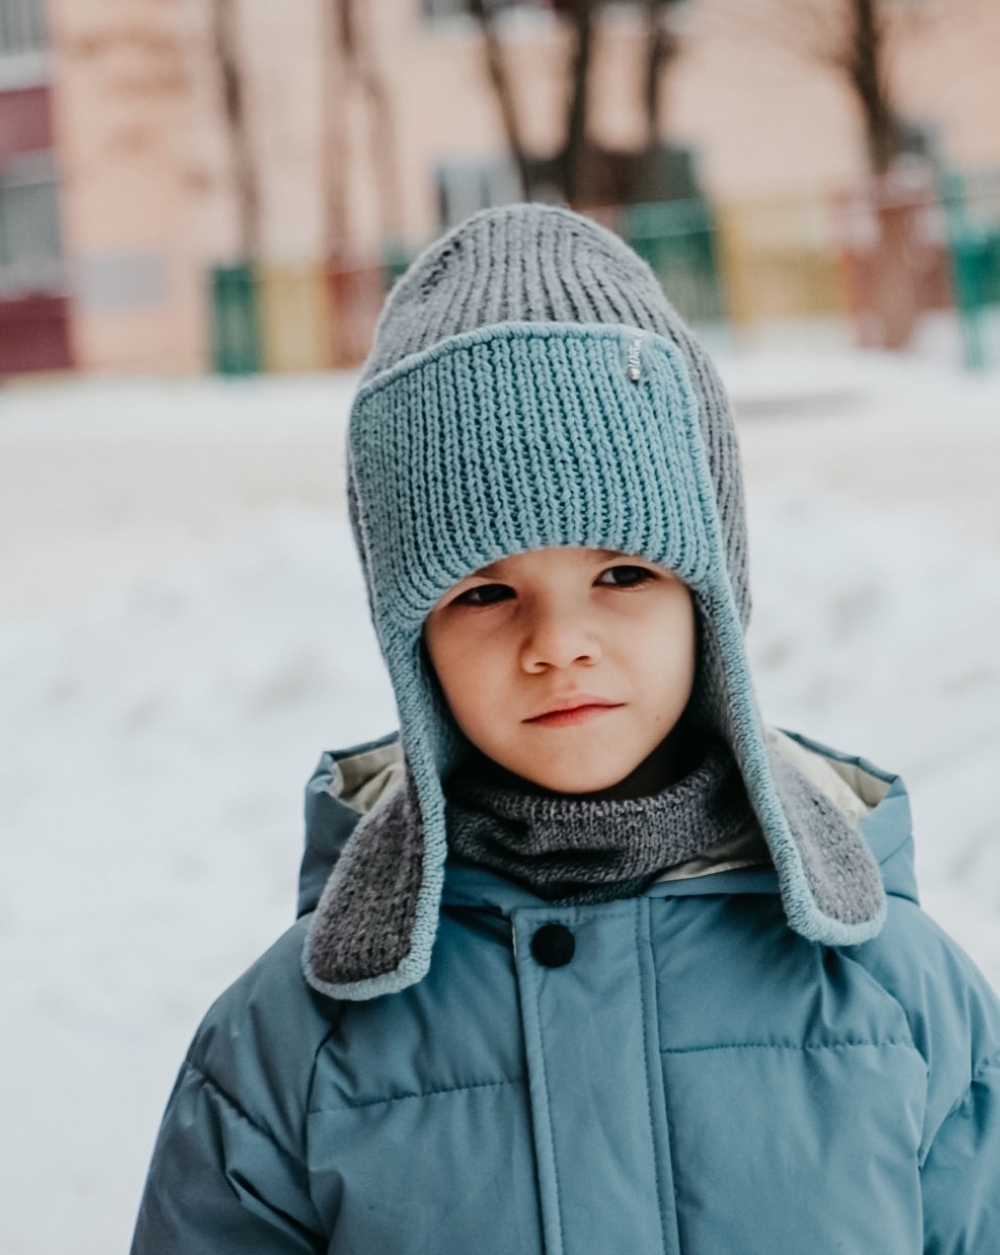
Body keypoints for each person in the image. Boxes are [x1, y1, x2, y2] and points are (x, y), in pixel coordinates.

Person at [131, 205, 1000, 1254]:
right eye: (484, 594)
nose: (558, 643)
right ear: (411, 645)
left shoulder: (898, 993)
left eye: (622, 572)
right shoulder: (291, 1041)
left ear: (710, 600)